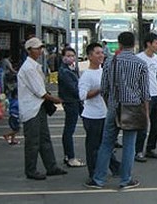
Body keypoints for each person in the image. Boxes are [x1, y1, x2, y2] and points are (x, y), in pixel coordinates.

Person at [85, 31, 149, 190]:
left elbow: (104, 89)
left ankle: (98, 179)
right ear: (133, 44)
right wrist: (146, 114)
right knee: (129, 145)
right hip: (133, 108)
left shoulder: (109, 62)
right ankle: (125, 180)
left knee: (106, 143)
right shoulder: (140, 63)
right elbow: (145, 93)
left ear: (119, 44)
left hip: (114, 107)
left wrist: (110, 104)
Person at [17, 37, 67, 180]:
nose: (39, 51)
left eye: (40, 48)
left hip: (38, 107)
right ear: (29, 50)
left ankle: (51, 166)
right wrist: (56, 100)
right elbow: (40, 92)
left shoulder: (35, 66)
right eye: (36, 48)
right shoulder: (28, 68)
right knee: (33, 141)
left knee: (44, 138)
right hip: (31, 108)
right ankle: (31, 170)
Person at [78, 42, 120, 181]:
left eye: (102, 53)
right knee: (93, 147)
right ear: (89, 56)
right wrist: (100, 89)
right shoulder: (86, 75)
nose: (101, 55)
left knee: (106, 144)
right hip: (92, 117)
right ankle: (93, 173)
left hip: (105, 114)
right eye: (97, 53)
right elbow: (82, 95)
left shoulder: (104, 71)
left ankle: (115, 167)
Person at [134, 33, 157, 162]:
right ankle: (139, 151)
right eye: (156, 43)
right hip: (144, 97)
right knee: (143, 125)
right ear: (148, 43)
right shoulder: (138, 59)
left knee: (155, 124)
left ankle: (150, 148)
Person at [58, 46, 85, 168]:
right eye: (67, 56)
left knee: (70, 129)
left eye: (72, 56)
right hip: (71, 102)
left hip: (75, 101)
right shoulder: (64, 71)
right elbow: (74, 88)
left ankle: (68, 156)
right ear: (63, 57)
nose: (70, 58)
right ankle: (70, 157)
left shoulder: (72, 68)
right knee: (69, 129)